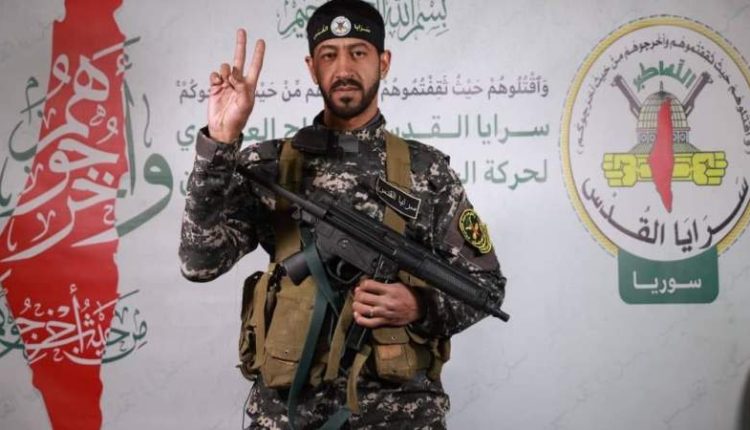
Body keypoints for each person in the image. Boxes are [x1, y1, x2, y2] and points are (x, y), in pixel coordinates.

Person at [179, 0, 506, 428]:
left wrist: (419, 305)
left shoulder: (426, 171)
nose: (344, 68)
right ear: (312, 67)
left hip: (399, 416)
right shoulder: (270, 164)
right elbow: (199, 262)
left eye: (358, 52)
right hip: (289, 415)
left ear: (383, 62)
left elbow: (486, 288)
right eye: (329, 55)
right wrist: (220, 143)